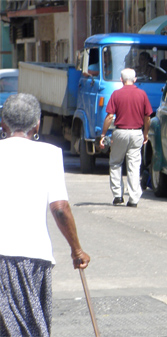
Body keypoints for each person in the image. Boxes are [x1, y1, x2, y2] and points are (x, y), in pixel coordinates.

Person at [0, 93, 90, 337]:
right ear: (37, 124)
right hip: (33, 257)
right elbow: (60, 208)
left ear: (3, 123)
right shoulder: (49, 154)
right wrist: (76, 249)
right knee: (30, 329)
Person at [98, 68, 152, 207]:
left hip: (120, 132)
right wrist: (145, 134)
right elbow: (148, 117)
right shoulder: (142, 94)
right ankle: (133, 199)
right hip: (137, 133)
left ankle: (117, 196)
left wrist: (103, 134)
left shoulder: (116, 94)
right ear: (135, 80)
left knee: (116, 162)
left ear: (121, 80)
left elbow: (110, 116)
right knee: (134, 166)